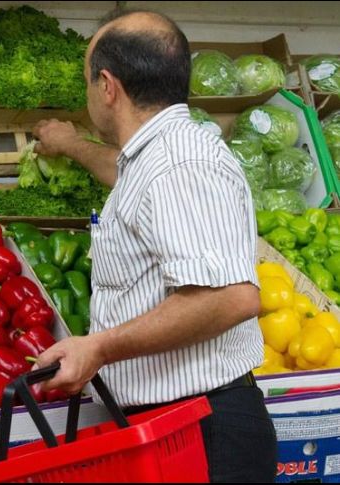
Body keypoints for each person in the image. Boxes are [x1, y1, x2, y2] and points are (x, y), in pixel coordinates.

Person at [32, 9, 278, 483]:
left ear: (108, 86)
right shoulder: (158, 154)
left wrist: (98, 347)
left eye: (88, 82)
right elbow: (128, 178)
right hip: (177, 424)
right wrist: (71, 144)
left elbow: (230, 297)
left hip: (204, 433)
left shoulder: (179, 165)